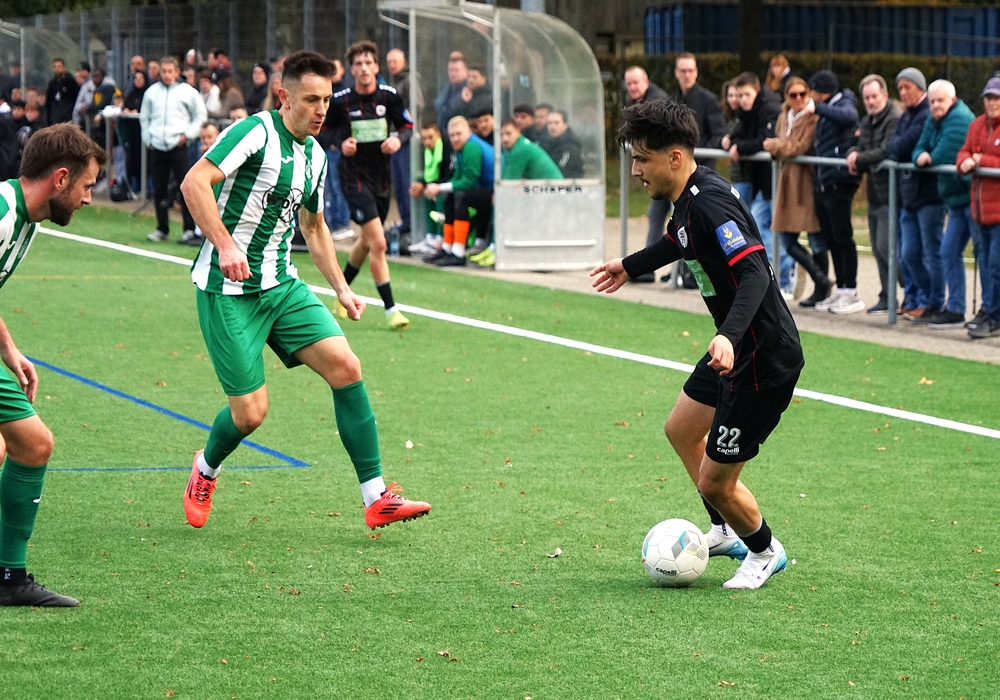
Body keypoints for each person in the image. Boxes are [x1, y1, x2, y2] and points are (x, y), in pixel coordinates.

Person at [179, 50, 431, 531]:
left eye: (326, 100)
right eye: (312, 99)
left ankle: (376, 498)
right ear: (284, 96)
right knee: (250, 415)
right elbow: (195, 183)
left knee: (347, 367)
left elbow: (314, 227)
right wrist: (226, 245)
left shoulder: (315, 155)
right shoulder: (254, 133)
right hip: (227, 290)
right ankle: (205, 469)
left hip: (282, 286)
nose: (322, 109)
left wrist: (341, 288)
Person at [591, 99, 801, 590]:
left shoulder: (709, 202)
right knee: (681, 430)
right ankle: (725, 529)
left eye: (642, 159)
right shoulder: (690, 197)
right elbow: (679, 241)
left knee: (714, 481)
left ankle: (764, 550)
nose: (636, 170)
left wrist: (728, 334)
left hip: (761, 357)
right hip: (734, 350)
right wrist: (630, 265)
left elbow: (754, 273)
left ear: (675, 157)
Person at [0, 124, 105, 607]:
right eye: (86, 186)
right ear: (61, 178)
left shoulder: (29, 221)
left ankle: (9, 577)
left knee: (31, 444)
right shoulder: (3, 213)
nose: (88, 199)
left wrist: (9, 350)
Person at [325, 40, 412, 330]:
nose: (363, 68)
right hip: (353, 177)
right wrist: (341, 144)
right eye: (358, 64)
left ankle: (342, 292)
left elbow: (407, 126)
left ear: (376, 67)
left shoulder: (390, 96)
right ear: (351, 70)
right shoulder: (341, 101)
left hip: (381, 179)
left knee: (365, 240)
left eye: (368, 63)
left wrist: (397, 140)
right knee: (378, 242)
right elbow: (323, 129)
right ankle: (391, 310)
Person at [912, 80, 975, 329]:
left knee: (986, 256)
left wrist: (927, 156)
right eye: (933, 101)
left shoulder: (959, 119)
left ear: (953, 99)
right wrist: (921, 155)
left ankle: (991, 312)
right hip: (955, 199)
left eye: (941, 100)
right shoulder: (934, 119)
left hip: (972, 197)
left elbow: (943, 154)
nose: (936, 105)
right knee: (948, 251)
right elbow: (919, 148)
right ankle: (956, 308)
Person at [763, 77, 832, 303]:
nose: (799, 98)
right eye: (793, 95)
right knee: (787, 238)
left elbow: (799, 146)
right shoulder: (783, 116)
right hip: (787, 182)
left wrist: (775, 145)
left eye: (803, 93)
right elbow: (787, 144)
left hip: (808, 180)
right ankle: (821, 279)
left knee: (815, 238)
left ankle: (821, 290)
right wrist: (781, 146)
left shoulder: (813, 117)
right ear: (786, 97)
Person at [721, 72, 783, 295]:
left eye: (746, 95)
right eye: (739, 95)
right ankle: (773, 276)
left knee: (777, 231)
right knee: (757, 225)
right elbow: (743, 135)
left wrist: (739, 146)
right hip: (763, 182)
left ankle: (784, 277)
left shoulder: (769, 108)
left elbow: (763, 140)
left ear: (756, 91)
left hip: (774, 180)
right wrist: (731, 141)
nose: (741, 100)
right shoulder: (747, 111)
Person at [807, 69, 863, 314]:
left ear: (822, 91)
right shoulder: (827, 108)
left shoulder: (844, 102)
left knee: (842, 237)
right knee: (830, 238)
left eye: (812, 90)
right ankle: (841, 288)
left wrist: (818, 109)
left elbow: (849, 117)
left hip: (840, 181)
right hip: (823, 182)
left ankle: (850, 290)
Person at [846, 74, 903, 314]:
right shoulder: (867, 120)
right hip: (875, 193)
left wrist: (858, 159)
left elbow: (885, 150)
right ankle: (887, 296)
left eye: (874, 96)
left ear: (885, 95)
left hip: (894, 193)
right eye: (867, 97)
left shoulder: (894, 117)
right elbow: (862, 148)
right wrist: (853, 154)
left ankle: (912, 293)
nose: (870, 101)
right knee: (878, 249)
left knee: (888, 247)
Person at [887, 68, 939, 320]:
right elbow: (894, 147)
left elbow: (903, 146)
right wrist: (898, 148)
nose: (903, 92)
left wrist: (899, 148)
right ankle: (916, 297)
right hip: (909, 195)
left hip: (926, 194)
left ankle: (929, 301)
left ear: (920, 87)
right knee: (907, 253)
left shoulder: (925, 114)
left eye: (908, 87)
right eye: (900, 88)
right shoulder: (906, 116)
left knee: (926, 252)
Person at [139, 56, 207, 243]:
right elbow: (144, 117)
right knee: (159, 189)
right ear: (159, 72)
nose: (167, 75)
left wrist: (187, 135)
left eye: (170, 71)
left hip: (179, 146)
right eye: (164, 71)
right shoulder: (151, 92)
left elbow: (200, 115)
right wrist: (148, 139)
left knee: (185, 187)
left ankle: (189, 228)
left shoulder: (188, 92)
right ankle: (162, 228)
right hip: (157, 146)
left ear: (177, 72)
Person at [957, 77, 1000, 339]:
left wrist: (981, 160)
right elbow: (963, 152)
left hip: (998, 213)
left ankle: (995, 316)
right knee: (984, 264)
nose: (993, 102)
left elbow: (983, 158)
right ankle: (988, 309)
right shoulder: (976, 125)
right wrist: (964, 162)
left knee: (996, 266)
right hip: (979, 211)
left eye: (997, 98)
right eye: (989, 98)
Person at [423, 115, 494, 267]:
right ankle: (448, 247)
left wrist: (439, 187)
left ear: (468, 132)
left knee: (462, 196)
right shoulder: (460, 149)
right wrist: (441, 188)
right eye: (452, 135)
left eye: (458, 134)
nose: (455, 138)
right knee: (450, 195)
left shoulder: (471, 147)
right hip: (484, 190)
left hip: (496, 191)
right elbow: (457, 177)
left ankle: (458, 252)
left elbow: (469, 181)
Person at [669, 52, 726, 169]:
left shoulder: (709, 100)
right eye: (683, 71)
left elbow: (717, 135)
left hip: (702, 166)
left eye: (690, 71)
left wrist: (697, 152)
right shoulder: (671, 101)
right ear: (676, 73)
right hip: (676, 165)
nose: (687, 75)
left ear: (696, 72)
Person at [317, 58, 352, 244]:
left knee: (338, 185)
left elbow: (344, 122)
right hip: (324, 144)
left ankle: (343, 223)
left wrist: (336, 142)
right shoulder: (326, 91)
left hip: (335, 147)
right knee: (328, 187)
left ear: (343, 71)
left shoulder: (343, 94)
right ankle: (331, 223)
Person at [407, 121, 451, 257]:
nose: (427, 142)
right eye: (424, 138)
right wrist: (421, 184)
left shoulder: (447, 148)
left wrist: (433, 186)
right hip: (439, 184)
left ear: (439, 135)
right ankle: (430, 237)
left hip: (450, 185)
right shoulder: (428, 151)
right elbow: (429, 175)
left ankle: (440, 238)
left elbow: (448, 174)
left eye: (431, 137)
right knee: (427, 193)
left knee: (439, 194)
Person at [386, 48, 415, 239]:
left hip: (405, 138)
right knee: (398, 182)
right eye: (389, 62)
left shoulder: (409, 81)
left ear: (403, 62)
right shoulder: (394, 82)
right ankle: (405, 220)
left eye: (395, 61)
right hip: (394, 137)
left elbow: (416, 107)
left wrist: (404, 127)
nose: (392, 65)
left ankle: (411, 222)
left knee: (405, 181)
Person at [119, 70, 149, 194]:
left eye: (141, 78)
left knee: (145, 161)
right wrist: (126, 110)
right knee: (132, 161)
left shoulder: (147, 95)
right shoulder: (131, 94)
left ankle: (147, 189)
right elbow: (126, 106)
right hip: (132, 135)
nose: (138, 80)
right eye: (136, 78)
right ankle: (134, 189)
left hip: (143, 135)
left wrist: (137, 112)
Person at [542, 110, 584, 178]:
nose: (552, 126)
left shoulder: (570, 145)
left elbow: (560, 171)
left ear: (565, 125)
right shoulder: (549, 142)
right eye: (549, 123)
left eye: (556, 123)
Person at [434, 53, 468, 134]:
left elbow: (454, 110)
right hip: (445, 131)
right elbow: (437, 105)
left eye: (456, 70)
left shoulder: (469, 89)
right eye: (451, 70)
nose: (453, 73)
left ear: (466, 71)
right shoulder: (448, 87)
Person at [45, 58, 78, 125]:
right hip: (55, 118)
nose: (57, 69)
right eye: (55, 67)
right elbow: (49, 102)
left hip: (68, 117)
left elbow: (75, 98)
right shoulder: (52, 83)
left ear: (64, 67)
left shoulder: (70, 82)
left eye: (59, 66)